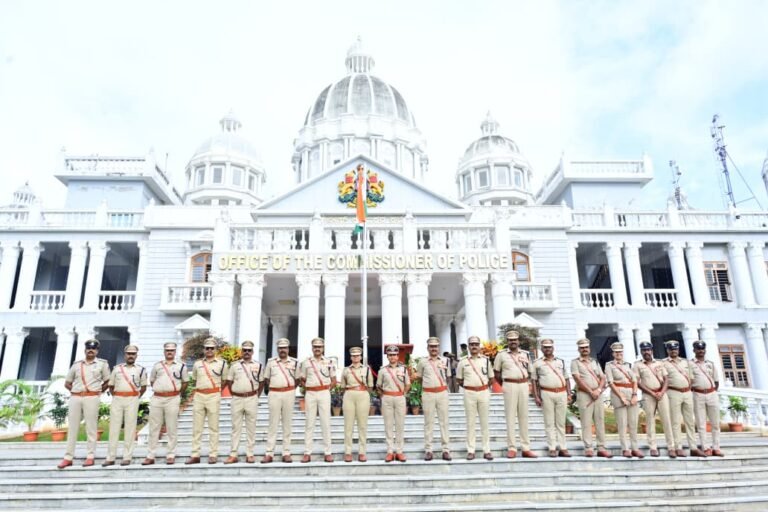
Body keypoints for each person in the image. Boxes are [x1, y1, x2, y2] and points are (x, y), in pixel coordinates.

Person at [57, 339, 110, 469]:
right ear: (85, 350)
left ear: (97, 351)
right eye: (88, 348)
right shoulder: (76, 365)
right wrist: (75, 392)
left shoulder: (102, 364)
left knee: (91, 428)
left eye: (94, 349)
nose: (91, 351)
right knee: (73, 427)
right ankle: (68, 457)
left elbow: (108, 381)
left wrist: (97, 392)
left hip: (92, 397)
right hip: (76, 398)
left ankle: (90, 456)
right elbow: (67, 382)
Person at [143, 342, 188, 465]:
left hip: (173, 398)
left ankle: (171, 454)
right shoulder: (157, 366)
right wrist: (161, 389)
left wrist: (177, 393)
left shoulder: (181, 366)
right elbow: (152, 381)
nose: (169, 352)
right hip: (157, 398)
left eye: (172, 350)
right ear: (164, 352)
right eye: (167, 350)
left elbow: (185, 382)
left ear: (175, 352)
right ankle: (151, 454)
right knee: (154, 427)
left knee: (172, 427)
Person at [494, 330, 536, 459]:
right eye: (510, 340)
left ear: (519, 341)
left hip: (523, 385)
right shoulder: (501, 355)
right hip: (509, 385)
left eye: (515, 339)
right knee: (510, 417)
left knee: (524, 417)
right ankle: (512, 447)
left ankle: (526, 447)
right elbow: (496, 373)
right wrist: (505, 384)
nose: (513, 342)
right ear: (507, 342)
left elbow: (530, 371)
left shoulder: (525, 354)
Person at [103, 344, 147, 466]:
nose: (131, 356)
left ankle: (127, 457)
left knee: (130, 428)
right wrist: (117, 396)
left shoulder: (141, 370)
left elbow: (143, 387)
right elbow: (111, 386)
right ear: (125, 355)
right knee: (114, 428)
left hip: (132, 398)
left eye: (133, 354)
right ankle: (110, 457)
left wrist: (135, 396)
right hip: (118, 398)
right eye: (129, 354)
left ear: (136, 356)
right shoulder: (117, 369)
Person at [663, 340, 706, 457]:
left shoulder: (686, 362)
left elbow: (691, 378)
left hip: (687, 393)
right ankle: (678, 447)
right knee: (675, 422)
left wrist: (686, 388)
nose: (673, 351)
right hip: (673, 392)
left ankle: (693, 447)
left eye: (675, 349)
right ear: (667, 350)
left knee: (690, 422)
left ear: (678, 350)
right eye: (671, 349)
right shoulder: (664, 363)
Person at [186, 337, 226, 464]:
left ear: (216, 350)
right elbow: (195, 379)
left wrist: (215, 390)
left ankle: (213, 454)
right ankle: (195, 454)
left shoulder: (222, 363)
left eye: (211, 348)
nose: (209, 350)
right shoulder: (198, 364)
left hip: (213, 395)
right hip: (199, 396)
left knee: (213, 427)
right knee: (197, 427)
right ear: (204, 349)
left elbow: (224, 381)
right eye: (207, 348)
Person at [224, 340, 264, 464]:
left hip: (251, 398)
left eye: (249, 350)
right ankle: (233, 454)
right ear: (242, 351)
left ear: (252, 352)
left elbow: (262, 382)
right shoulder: (235, 365)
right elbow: (229, 381)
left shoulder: (258, 365)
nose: (246, 352)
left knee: (251, 427)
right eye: (244, 350)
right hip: (237, 399)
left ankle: (250, 454)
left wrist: (257, 395)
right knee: (236, 427)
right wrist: (234, 392)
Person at [570, 338, 611, 458]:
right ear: (579, 349)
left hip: (597, 394)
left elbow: (602, 377)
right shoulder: (575, 362)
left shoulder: (595, 362)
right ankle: (588, 447)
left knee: (599, 420)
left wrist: (598, 390)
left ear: (589, 348)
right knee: (586, 421)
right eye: (582, 348)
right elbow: (578, 379)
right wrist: (590, 391)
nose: (584, 349)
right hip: (584, 394)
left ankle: (601, 447)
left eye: (586, 347)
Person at [299, 337, 337, 463]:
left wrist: (325, 389)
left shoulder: (329, 362)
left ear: (323, 348)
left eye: (319, 347)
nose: (317, 349)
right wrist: (310, 388)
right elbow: (302, 379)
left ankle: (328, 452)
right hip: (310, 393)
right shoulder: (306, 362)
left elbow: (334, 380)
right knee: (309, 423)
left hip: (324, 393)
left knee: (325, 423)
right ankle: (307, 452)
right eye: (315, 347)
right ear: (312, 348)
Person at [532, 338, 572, 458]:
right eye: (545, 347)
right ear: (542, 349)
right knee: (549, 422)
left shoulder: (561, 362)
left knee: (560, 422)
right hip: (546, 393)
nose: (547, 349)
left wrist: (569, 393)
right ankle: (552, 448)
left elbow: (566, 378)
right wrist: (536, 396)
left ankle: (563, 447)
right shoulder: (537, 363)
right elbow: (534, 381)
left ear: (553, 348)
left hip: (561, 393)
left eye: (549, 347)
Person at [634, 341, 674, 458]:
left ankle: (671, 447)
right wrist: (651, 392)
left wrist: (662, 392)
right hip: (648, 395)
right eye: (644, 350)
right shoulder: (637, 365)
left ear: (652, 350)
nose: (646, 352)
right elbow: (637, 382)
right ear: (641, 352)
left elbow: (666, 379)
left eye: (648, 350)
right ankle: (653, 447)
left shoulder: (660, 363)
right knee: (650, 421)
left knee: (667, 420)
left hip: (662, 394)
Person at [456, 336, 493, 461]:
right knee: (470, 423)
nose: (474, 346)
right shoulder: (463, 361)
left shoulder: (486, 361)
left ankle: (486, 450)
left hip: (483, 392)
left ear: (479, 346)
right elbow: (459, 380)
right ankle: (471, 450)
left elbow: (491, 378)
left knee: (484, 423)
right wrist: (470, 386)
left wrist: (482, 387)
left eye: (476, 344)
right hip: (469, 393)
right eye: (471, 344)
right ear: (468, 346)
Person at [261, 338, 298, 463]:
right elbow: (266, 378)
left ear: (288, 349)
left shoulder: (295, 362)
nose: (283, 350)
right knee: (273, 424)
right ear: (277, 349)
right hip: (275, 393)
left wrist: (289, 388)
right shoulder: (271, 362)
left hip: (289, 393)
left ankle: (286, 452)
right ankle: (269, 453)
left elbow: (297, 379)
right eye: (280, 348)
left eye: (285, 348)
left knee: (287, 424)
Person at [416, 337, 452, 461]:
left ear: (439, 348)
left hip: (442, 393)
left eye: (435, 346)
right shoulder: (422, 362)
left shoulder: (445, 360)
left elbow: (448, 377)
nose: (434, 349)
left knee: (444, 422)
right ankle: (428, 450)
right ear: (428, 348)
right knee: (428, 423)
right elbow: (419, 378)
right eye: (431, 346)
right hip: (428, 394)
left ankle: (446, 450)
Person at [605, 342, 643, 458]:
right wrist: (621, 397)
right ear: (613, 354)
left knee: (633, 423)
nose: (619, 354)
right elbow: (611, 382)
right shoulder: (609, 365)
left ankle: (635, 448)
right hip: (618, 394)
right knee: (622, 423)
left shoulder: (628, 365)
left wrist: (635, 395)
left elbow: (635, 381)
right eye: (616, 352)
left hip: (631, 393)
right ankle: (625, 448)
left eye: (620, 352)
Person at [377, 345, 410, 462]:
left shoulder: (403, 369)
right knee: (388, 425)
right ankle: (390, 451)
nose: (392, 357)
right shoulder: (383, 370)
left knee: (400, 425)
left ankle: (399, 451)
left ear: (397, 356)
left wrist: (403, 394)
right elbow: (378, 386)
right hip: (387, 398)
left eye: (394, 355)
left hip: (400, 397)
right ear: (387, 356)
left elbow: (407, 384)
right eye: (390, 355)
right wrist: (384, 396)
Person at [341, 346, 373, 462]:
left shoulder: (367, 369)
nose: (355, 357)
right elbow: (343, 386)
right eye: (353, 355)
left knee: (362, 425)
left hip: (363, 394)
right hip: (349, 395)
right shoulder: (346, 370)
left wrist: (363, 393)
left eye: (357, 355)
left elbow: (370, 386)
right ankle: (348, 452)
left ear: (360, 356)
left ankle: (362, 452)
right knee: (348, 425)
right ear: (350, 357)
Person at [691, 340, 723, 456]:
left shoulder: (711, 364)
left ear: (705, 350)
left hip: (711, 394)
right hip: (697, 394)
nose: (700, 351)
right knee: (701, 423)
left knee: (715, 423)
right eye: (698, 349)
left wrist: (711, 391)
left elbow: (716, 381)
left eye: (702, 349)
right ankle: (705, 447)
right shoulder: (690, 364)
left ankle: (716, 447)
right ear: (694, 350)